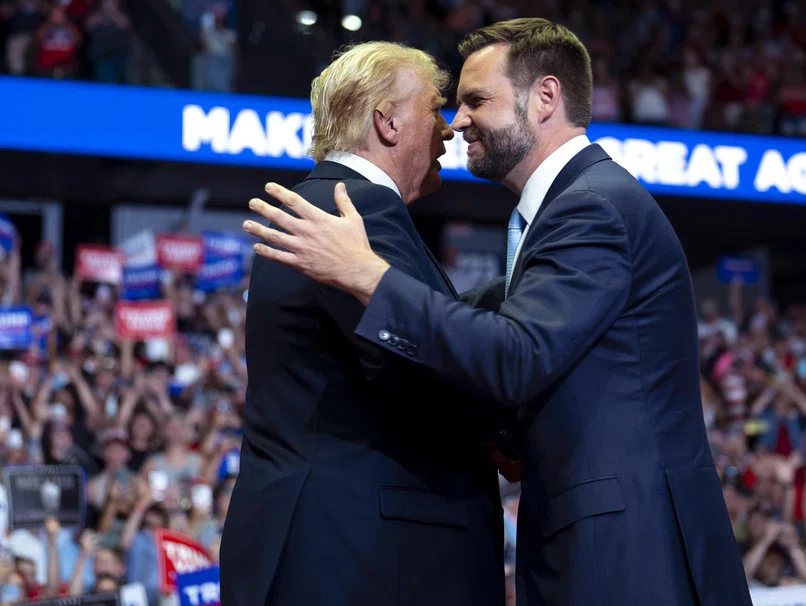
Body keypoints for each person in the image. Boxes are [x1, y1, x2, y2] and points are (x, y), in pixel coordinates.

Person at [243, 18, 753, 606]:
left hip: (629, 553)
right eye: (447, 105)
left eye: (474, 101)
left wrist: (369, 276)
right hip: (594, 547)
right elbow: (486, 337)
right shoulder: (568, 211)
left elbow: (516, 351)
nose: (456, 123)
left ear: (545, 98)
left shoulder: (591, 208)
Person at [220, 42, 509, 606]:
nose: (448, 130)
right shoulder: (355, 210)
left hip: (330, 544)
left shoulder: (333, 204)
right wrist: (512, 434)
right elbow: (426, 360)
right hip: (361, 556)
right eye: (434, 108)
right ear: (388, 121)